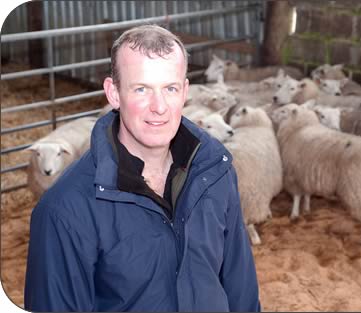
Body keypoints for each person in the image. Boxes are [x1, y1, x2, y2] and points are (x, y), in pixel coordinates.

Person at [24, 24, 260, 312]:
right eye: (141, 89)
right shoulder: (64, 210)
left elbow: (240, 285)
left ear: (185, 91)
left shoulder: (216, 172)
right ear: (113, 93)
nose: (159, 106)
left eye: (170, 88)